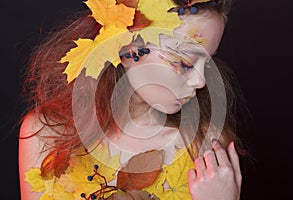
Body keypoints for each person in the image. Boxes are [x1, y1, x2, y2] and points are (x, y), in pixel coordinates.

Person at [18, 0, 249, 199]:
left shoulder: (203, 146)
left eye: (207, 63)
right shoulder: (46, 137)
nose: (201, 81)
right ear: (128, 49)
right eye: (185, 63)